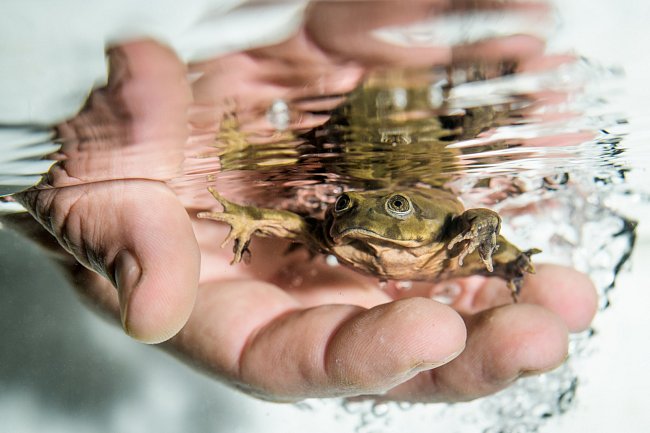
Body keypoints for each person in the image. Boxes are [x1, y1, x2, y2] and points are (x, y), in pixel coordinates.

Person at [7, 1, 597, 403]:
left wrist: (507, 257)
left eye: (382, 211)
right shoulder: (338, 226)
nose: (349, 217)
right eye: (343, 209)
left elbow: (482, 219)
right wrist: (243, 216)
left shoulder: (450, 230)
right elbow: (296, 218)